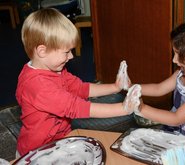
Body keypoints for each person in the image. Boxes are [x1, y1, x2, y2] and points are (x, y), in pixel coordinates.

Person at [15, 8, 134, 157]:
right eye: (66, 52)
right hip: (37, 153)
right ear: (42, 51)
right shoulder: (38, 85)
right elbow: (77, 107)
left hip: (60, 141)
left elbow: (81, 89)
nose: (71, 56)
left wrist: (115, 87)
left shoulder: (55, 70)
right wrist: (123, 109)